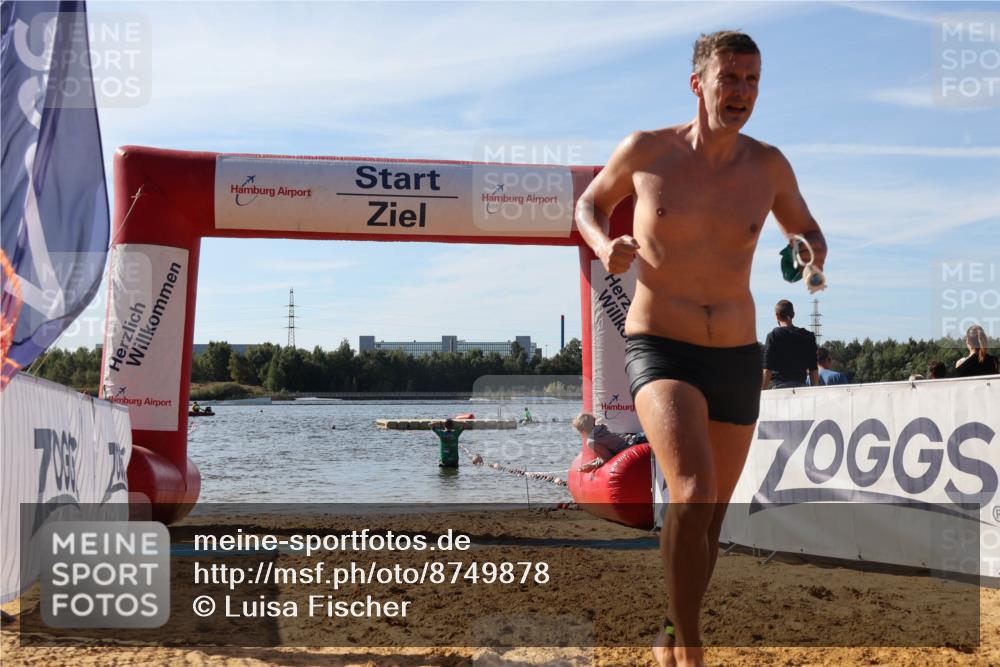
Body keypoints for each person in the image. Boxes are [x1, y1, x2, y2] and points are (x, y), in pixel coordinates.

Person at [574, 30, 826, 667]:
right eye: (730, 78)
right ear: (699, 84)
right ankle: (691, 650)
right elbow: (589, 205)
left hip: (737, 354)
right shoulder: (647, 150)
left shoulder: (768, 165)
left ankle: (666, 632)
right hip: (661, 345)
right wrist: (607, 248)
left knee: (708, 522)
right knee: (689, 491)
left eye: (752, 81)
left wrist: (809, 250)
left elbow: (807, 229)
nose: (741, 91)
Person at [762, 300, 819, 389]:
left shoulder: (773, 336)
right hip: (802, 389)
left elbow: (767, 370)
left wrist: (762, 394)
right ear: (793, 315)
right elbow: (813, 369)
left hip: (779, 388)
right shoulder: (808, 336)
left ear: (777, 316)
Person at [572, 412, 647, 472]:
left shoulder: (591, 441)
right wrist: (592, 462)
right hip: (639, 437)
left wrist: (593, 465)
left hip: (635, 444)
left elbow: (608, 457)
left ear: (582, 430)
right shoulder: (599, 429)